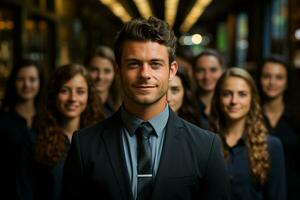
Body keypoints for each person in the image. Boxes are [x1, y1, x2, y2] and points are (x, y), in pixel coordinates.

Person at [61, 17, 230, 200]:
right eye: (134, 64)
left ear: (172, 70)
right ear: (118, 70)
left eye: (155, 64)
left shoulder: (206, 146)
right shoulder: (85, 145)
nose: (144, 74)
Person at [210, 67, 286, 200]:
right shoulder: (204, 142)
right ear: (218, 99)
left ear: (252, 99)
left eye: (242, 94)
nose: (234, 101)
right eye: (227, 94)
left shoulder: (272, 146)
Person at [34, 64, 104, 200]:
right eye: (64, 90)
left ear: (89, 96)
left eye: (80, 91)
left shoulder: (102, 138)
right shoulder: (34, 138)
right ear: (53, 95)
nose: (73, 98)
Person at [0, 58, 45, 199]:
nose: (26, 85)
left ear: (40, 82)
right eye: (21, 79)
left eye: (32, 79)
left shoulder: (49, 121)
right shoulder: (2, 121)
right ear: (13, 82)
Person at [258, 55, 300, 200]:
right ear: (259, 79)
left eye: (279, 77)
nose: (272, 82)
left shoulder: (297, 117)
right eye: (266, 76)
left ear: (287, 82)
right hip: (257, 193)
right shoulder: (249, 116)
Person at [84, 45, 122, 117]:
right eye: (94, 70)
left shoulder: (122, 109)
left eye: (107, 71)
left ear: (115, 73)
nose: (100, 77)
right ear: (86, 70)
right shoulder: (78, 107)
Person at [193, 49, 225, 129]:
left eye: (213, 70)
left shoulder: (230, 104)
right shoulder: (186, 106)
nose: (207, 76)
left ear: (223, 71)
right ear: (194, 73)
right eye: (200, 71)